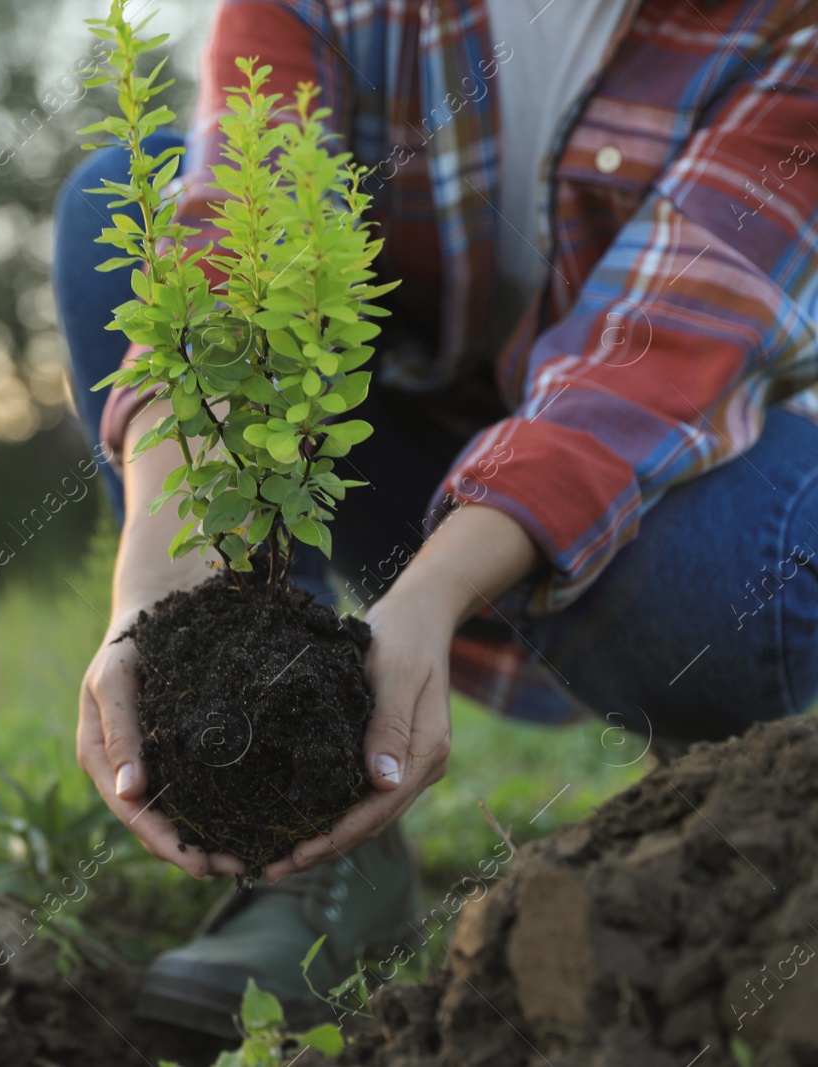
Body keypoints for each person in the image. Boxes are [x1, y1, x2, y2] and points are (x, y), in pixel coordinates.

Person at [52, 0, 818, 1038]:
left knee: (698, 584)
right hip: (409, 434)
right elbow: (232, 263)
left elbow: (650, 363)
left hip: (697, 452)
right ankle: (317, 860)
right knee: (120, 197)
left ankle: (734, 804)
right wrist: (152, 579)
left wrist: (433, 594)